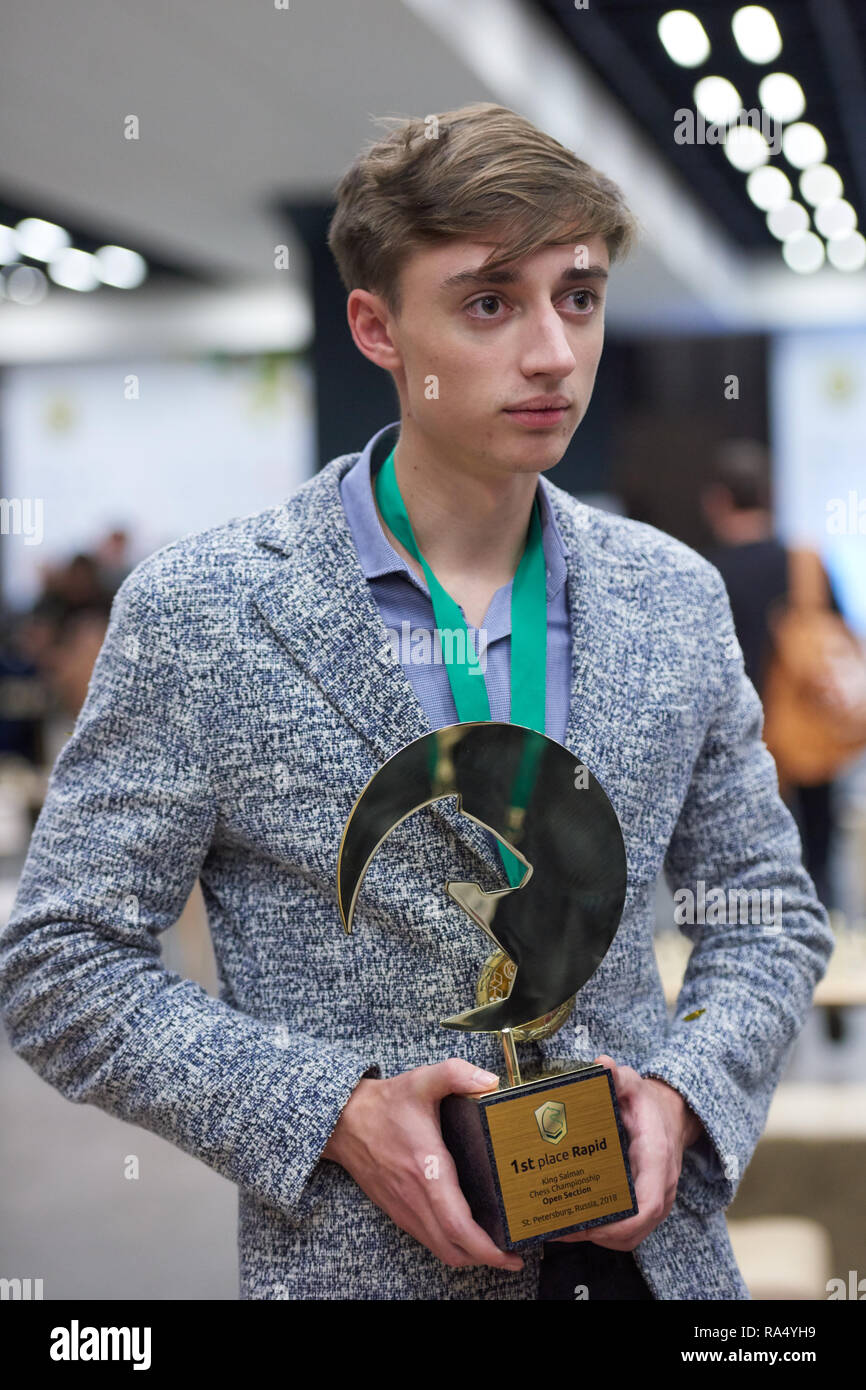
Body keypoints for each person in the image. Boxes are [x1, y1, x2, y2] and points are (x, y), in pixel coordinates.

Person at [0, 102, 833, 1301]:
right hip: (367, 1268)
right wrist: (329, 1109)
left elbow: (761, 908)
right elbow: (63, 960)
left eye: (579, 296)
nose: (551, 350)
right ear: (376, 327)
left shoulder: (670, 596)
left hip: (652, 1268)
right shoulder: (208, 610)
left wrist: (686, 1091)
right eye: (489, 302)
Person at [701, 442, 842, 914]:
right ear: (772, 495)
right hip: (809, 732)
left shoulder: (705, 575)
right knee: (820, 854)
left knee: (749, 873)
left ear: (718, 501)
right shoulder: (804, 565)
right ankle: (829, 950)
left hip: (742, 743)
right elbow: (837, 644)